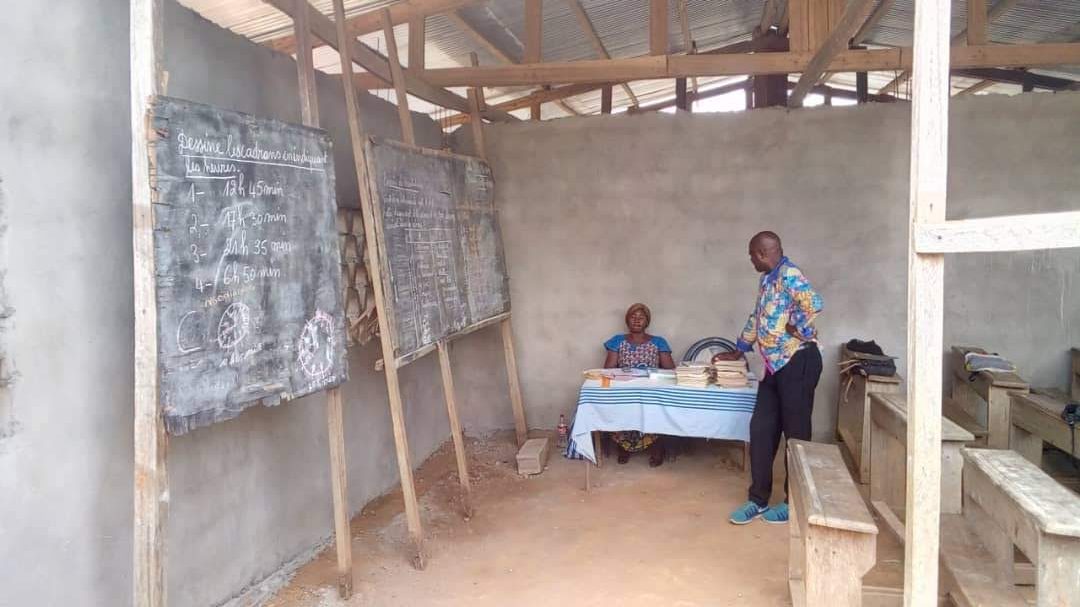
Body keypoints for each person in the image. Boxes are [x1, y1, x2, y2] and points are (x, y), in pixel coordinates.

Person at [715, 232, 823, 525]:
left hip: (798, 361)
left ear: (762, 253)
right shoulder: (767, 280)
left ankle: (794, 502)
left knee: (796, 436)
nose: (751, 260)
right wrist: (738, 349)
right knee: (761, 431)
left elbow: (814, 303)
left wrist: (793, 326)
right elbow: (757, 317)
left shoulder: (790, 275)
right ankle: (758, 500)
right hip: (773, 367)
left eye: (752, 255)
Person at [603, 303, 676, 467]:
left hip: (651, 391)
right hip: (625, 390)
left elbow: (670, 371)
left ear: (647, 321)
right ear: (627, 320)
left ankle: (657, 448)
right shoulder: (617, 341)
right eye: (633, 317)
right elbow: (608, 369)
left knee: (656, 409)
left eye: (641, 318)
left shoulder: (659, 342)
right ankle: (624, 447)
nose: (637, 321)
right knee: (621, 407)